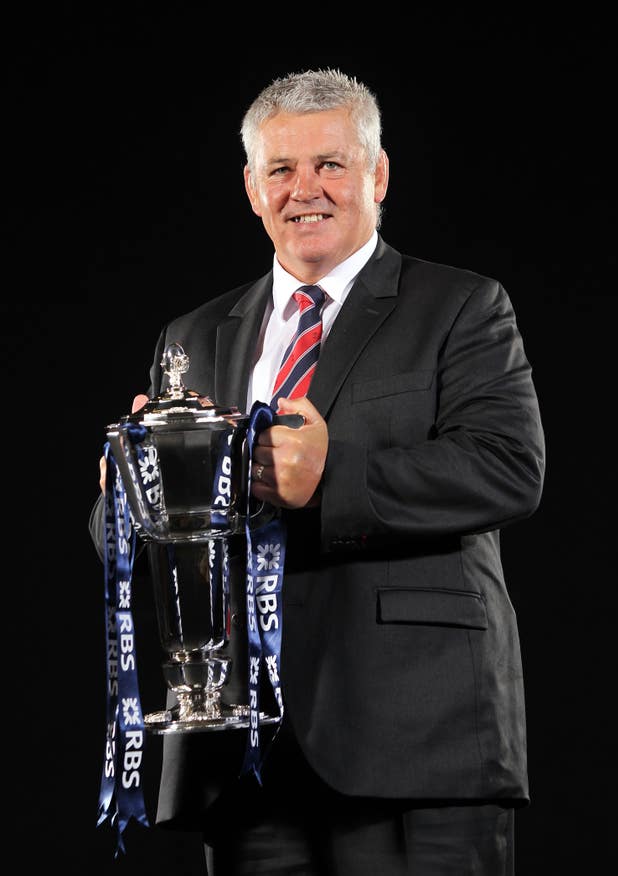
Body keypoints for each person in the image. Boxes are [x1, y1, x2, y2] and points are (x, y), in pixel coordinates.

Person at [90, 68, 545, 875]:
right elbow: (149, 540)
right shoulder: (192, 336)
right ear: (252, 190)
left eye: (331, 164)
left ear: (377, 176)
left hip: (415, 741)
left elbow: (509, 469)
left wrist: (332, 479)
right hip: (245, 756)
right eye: (282, 170)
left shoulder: (461, 305)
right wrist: (129, 500)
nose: (308, 190)